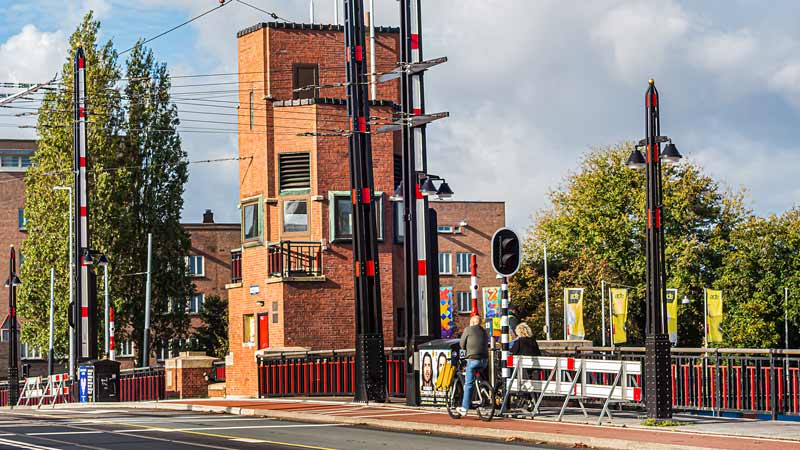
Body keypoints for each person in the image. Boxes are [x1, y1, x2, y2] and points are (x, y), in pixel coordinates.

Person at [457, 314, 488, 417]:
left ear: (473, 322)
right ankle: (482, 394)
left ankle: (464, 408)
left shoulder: (468, 330)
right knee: (478, 378)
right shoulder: (484, 331)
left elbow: (461, 344)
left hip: (473, 359)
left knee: (468, 384)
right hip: (484, 360)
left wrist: (466, 349)